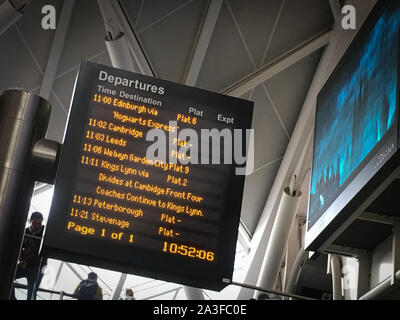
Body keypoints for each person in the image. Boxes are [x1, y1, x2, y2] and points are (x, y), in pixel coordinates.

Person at [11, 212, 47, 300]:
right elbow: (18, 248)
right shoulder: (25, 232)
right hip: (26, 265)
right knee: (7, 278)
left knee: (31, 293)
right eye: (35, 223)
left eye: (39, 223)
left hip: (37, 267)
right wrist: (21, 257)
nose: (37, 226)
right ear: (30, 221)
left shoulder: (44, 232)